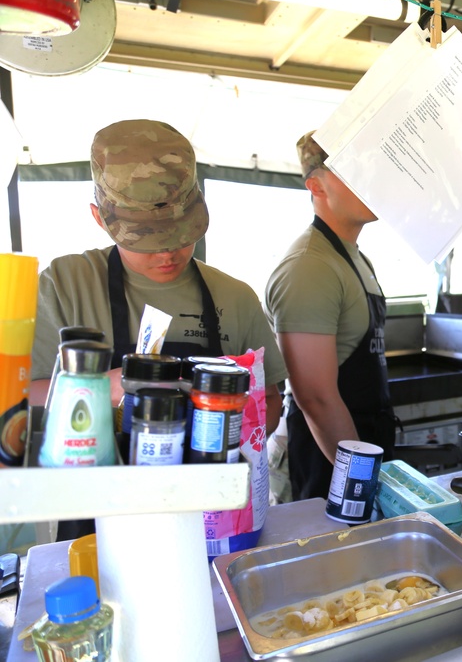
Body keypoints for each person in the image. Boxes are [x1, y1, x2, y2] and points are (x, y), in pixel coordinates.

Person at [30, 119, 287, 436]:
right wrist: (99, 389)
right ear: (99, 218)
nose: (167, 253)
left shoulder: (235, 297)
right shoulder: (65, 285)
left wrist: (235, 427)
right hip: (88, 478)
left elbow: (270, 399)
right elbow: (22, 395)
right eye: (145, 240)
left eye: (180, 236)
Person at [265, 131, 395, 501]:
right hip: (327, 466)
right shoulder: (310, 267)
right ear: (316, 186)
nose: (370, 183)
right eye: (354, 172)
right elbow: (316, 398)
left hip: (363, 444)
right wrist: (360, 481)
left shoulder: (353, 256)